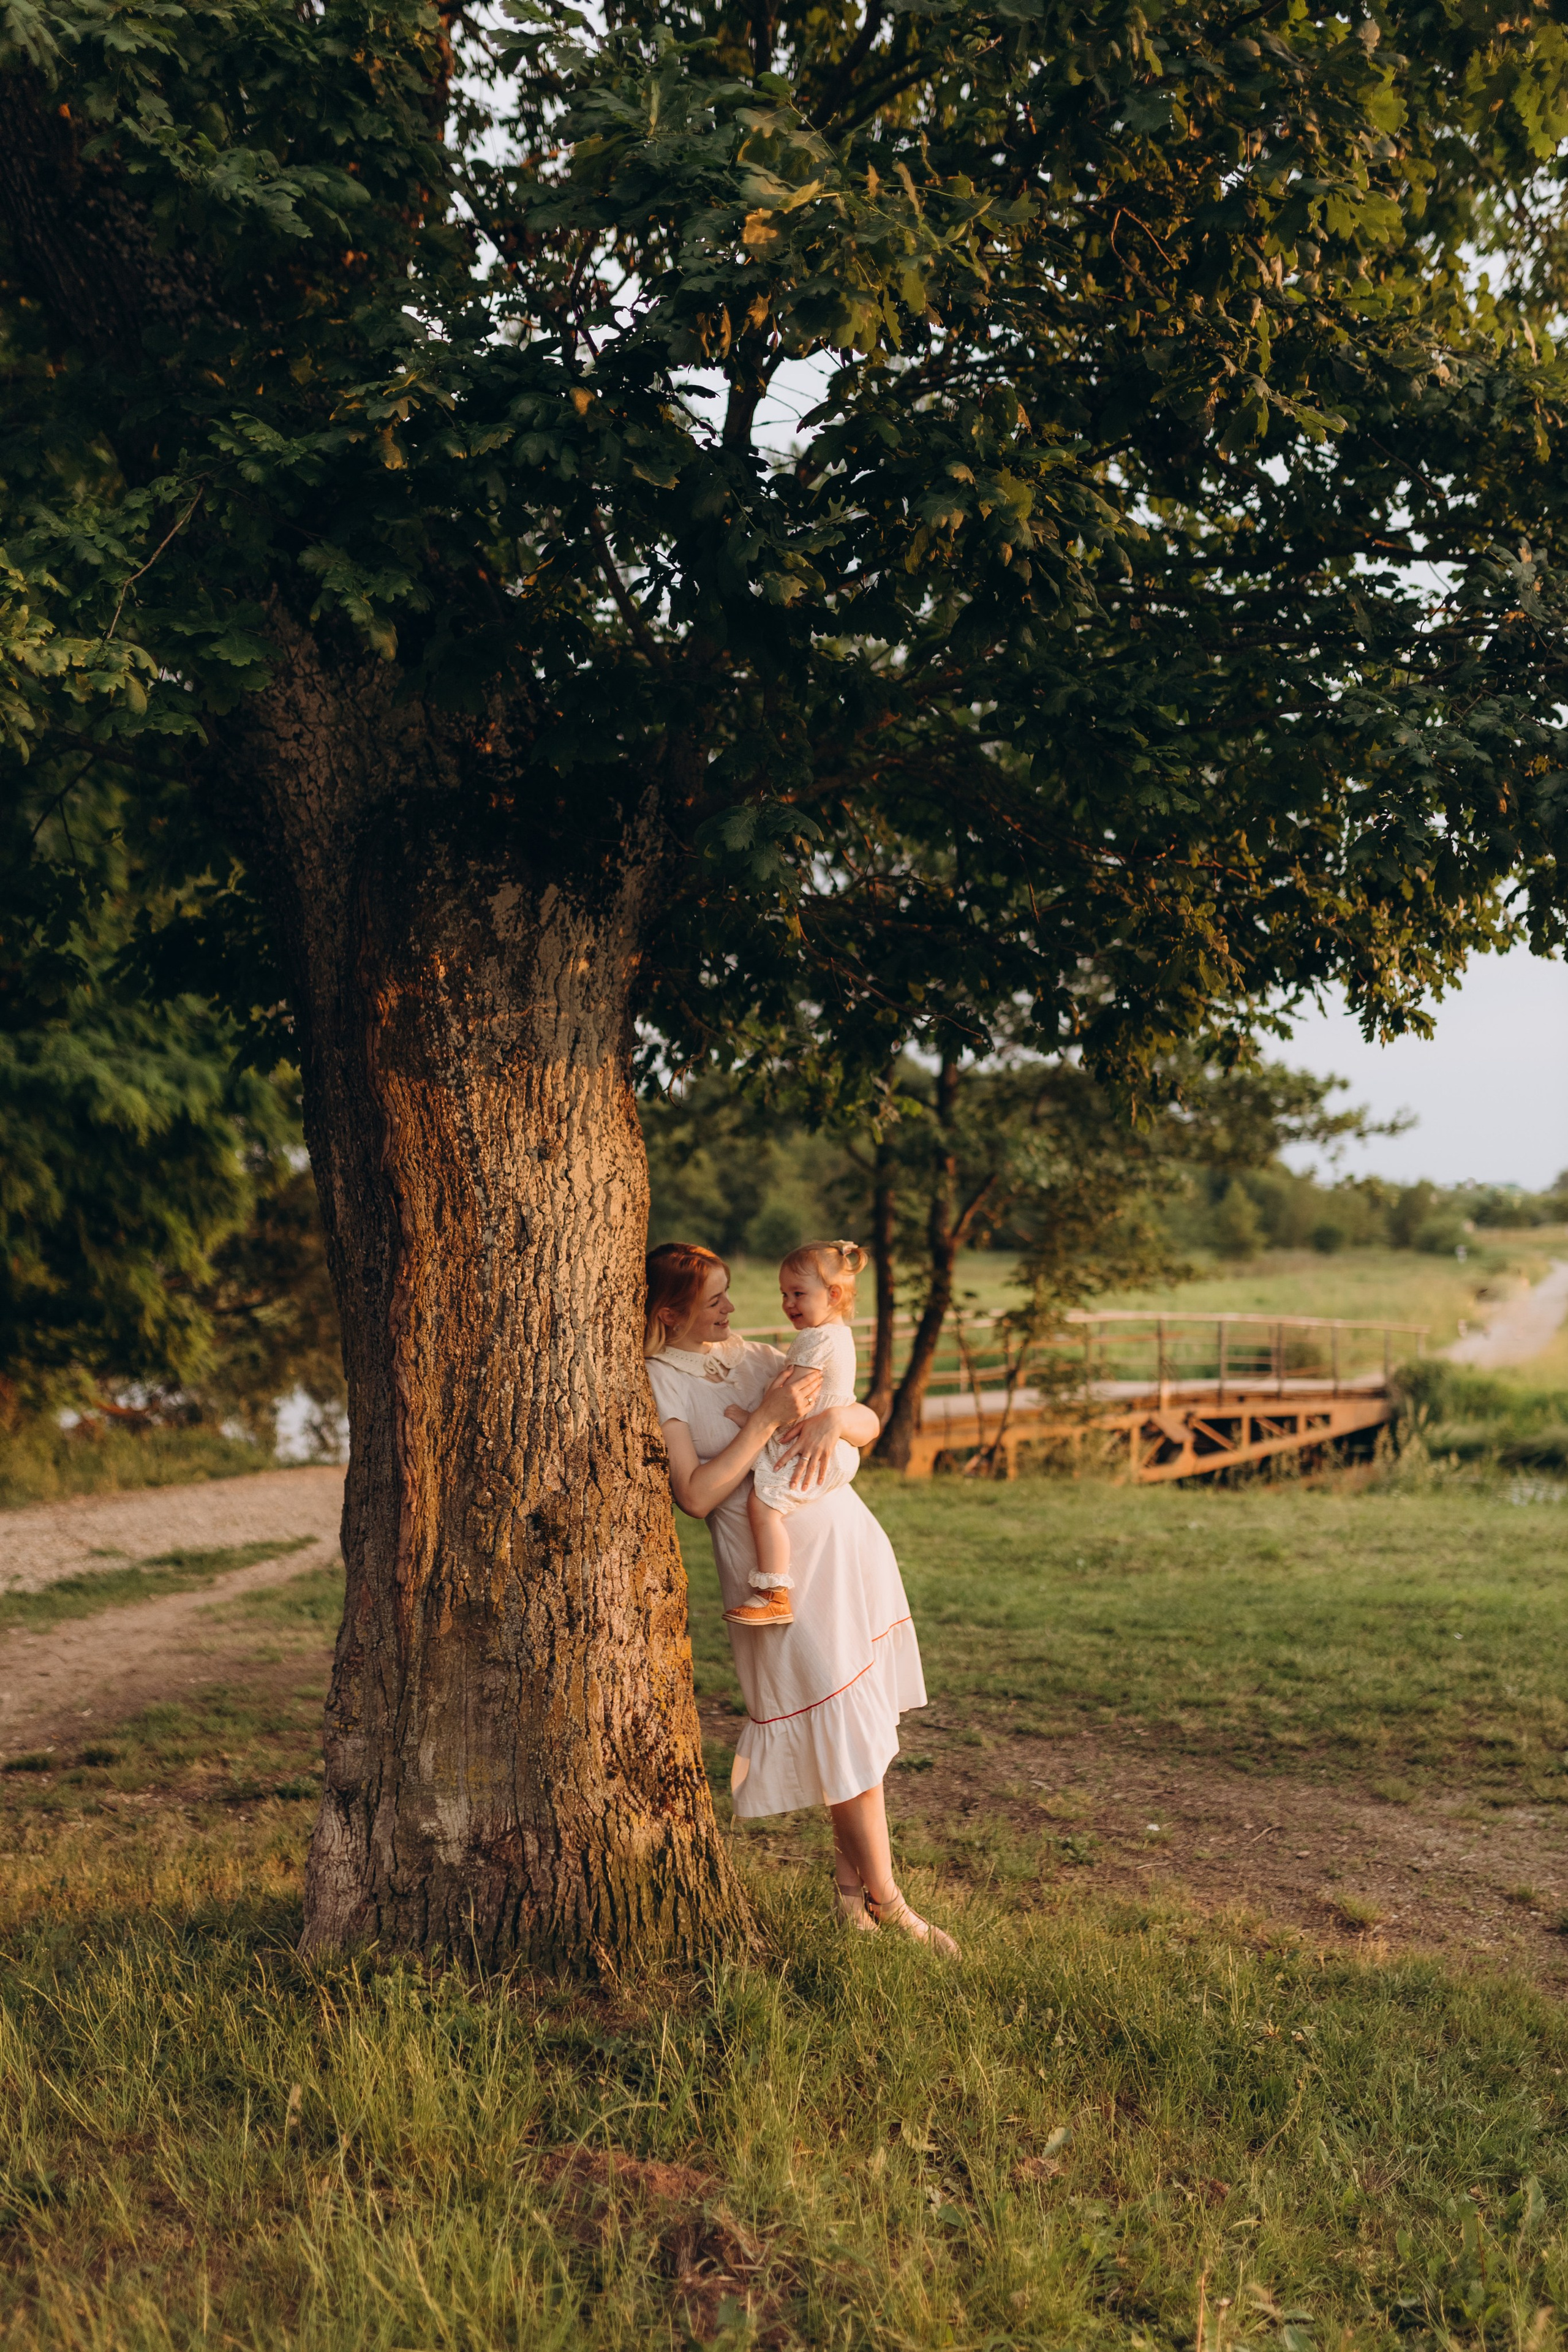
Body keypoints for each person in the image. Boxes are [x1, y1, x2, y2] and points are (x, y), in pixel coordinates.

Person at [644, 1240, 959, 1953]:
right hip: (776, 1582)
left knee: (854, 1733)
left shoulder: (759, 1357)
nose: (732, 1308)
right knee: (839, 1732)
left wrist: (833, 1422)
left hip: (845, 1550)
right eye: (714, 1300)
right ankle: (891, 1904)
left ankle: (854, 1896)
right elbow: (695, 1495)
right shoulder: (661, 1380)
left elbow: (865, 1420)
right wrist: (766, 1420)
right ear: (670, 1314)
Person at [721, 1239, 867, 1630]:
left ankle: (774, 1594)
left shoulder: (815, 1339)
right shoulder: (839, 1335)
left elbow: (793, 1401)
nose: (788, 1303)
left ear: (833, 1295)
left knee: (763, 1506)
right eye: (784, 1294)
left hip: (811, 1448)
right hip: (831, 1445)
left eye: (798, 1294)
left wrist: (753, 1417)